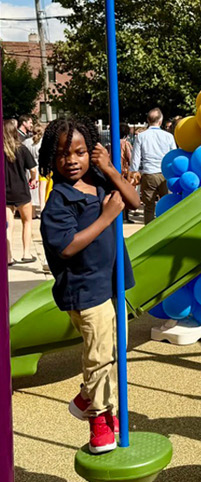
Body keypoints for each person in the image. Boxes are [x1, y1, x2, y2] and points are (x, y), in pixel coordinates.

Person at [40, 119, 138, 453]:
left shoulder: (97, 181)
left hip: (111, 281)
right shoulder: (58, 201)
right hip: (83, 289)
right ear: (51, 159)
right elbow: (67, 246)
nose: (72, 160)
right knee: (98, 356)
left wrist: (110, 169)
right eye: (63, 154)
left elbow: (134, 201)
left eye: (80, 152)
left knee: (115, 352)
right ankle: (99, 419)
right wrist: (106, 217)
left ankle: (86, 397)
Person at [6, 120, 35, 266]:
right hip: (22, 191)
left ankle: (8, 256)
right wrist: (34, 180)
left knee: (8, 226)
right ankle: (26, 253)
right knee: (27, 221)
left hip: (6, 193)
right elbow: (33, 169)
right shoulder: (22, 149)